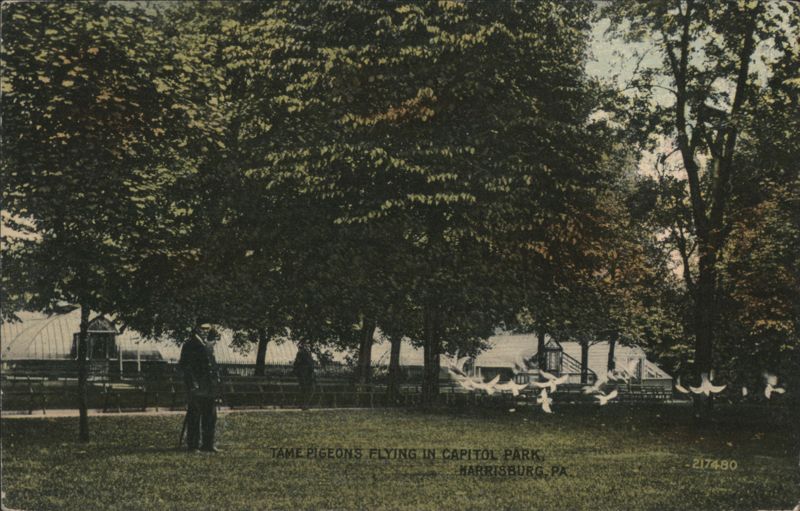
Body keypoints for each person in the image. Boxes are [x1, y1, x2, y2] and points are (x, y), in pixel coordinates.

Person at [179, 323, 220, 453]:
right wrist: (192, 383)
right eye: (203, 328)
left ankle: (208, 444)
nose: (205, 331)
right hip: (197, 386)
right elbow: (186, 366)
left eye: (208, 329)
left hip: (208, 386)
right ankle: (193, 445)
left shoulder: (207, 344)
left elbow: (211, 365)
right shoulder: (190, 344)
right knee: (195, 416)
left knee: (210, 416)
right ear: (196, 329)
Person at [293, 342, 315, 408]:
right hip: (305, 374)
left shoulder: (304, 353)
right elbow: (297, 363)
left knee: (307, 389)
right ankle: (304, 404)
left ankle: (304, 404)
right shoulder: (303, 353)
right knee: (306, 389)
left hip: (306, 374)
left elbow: (297, 363)